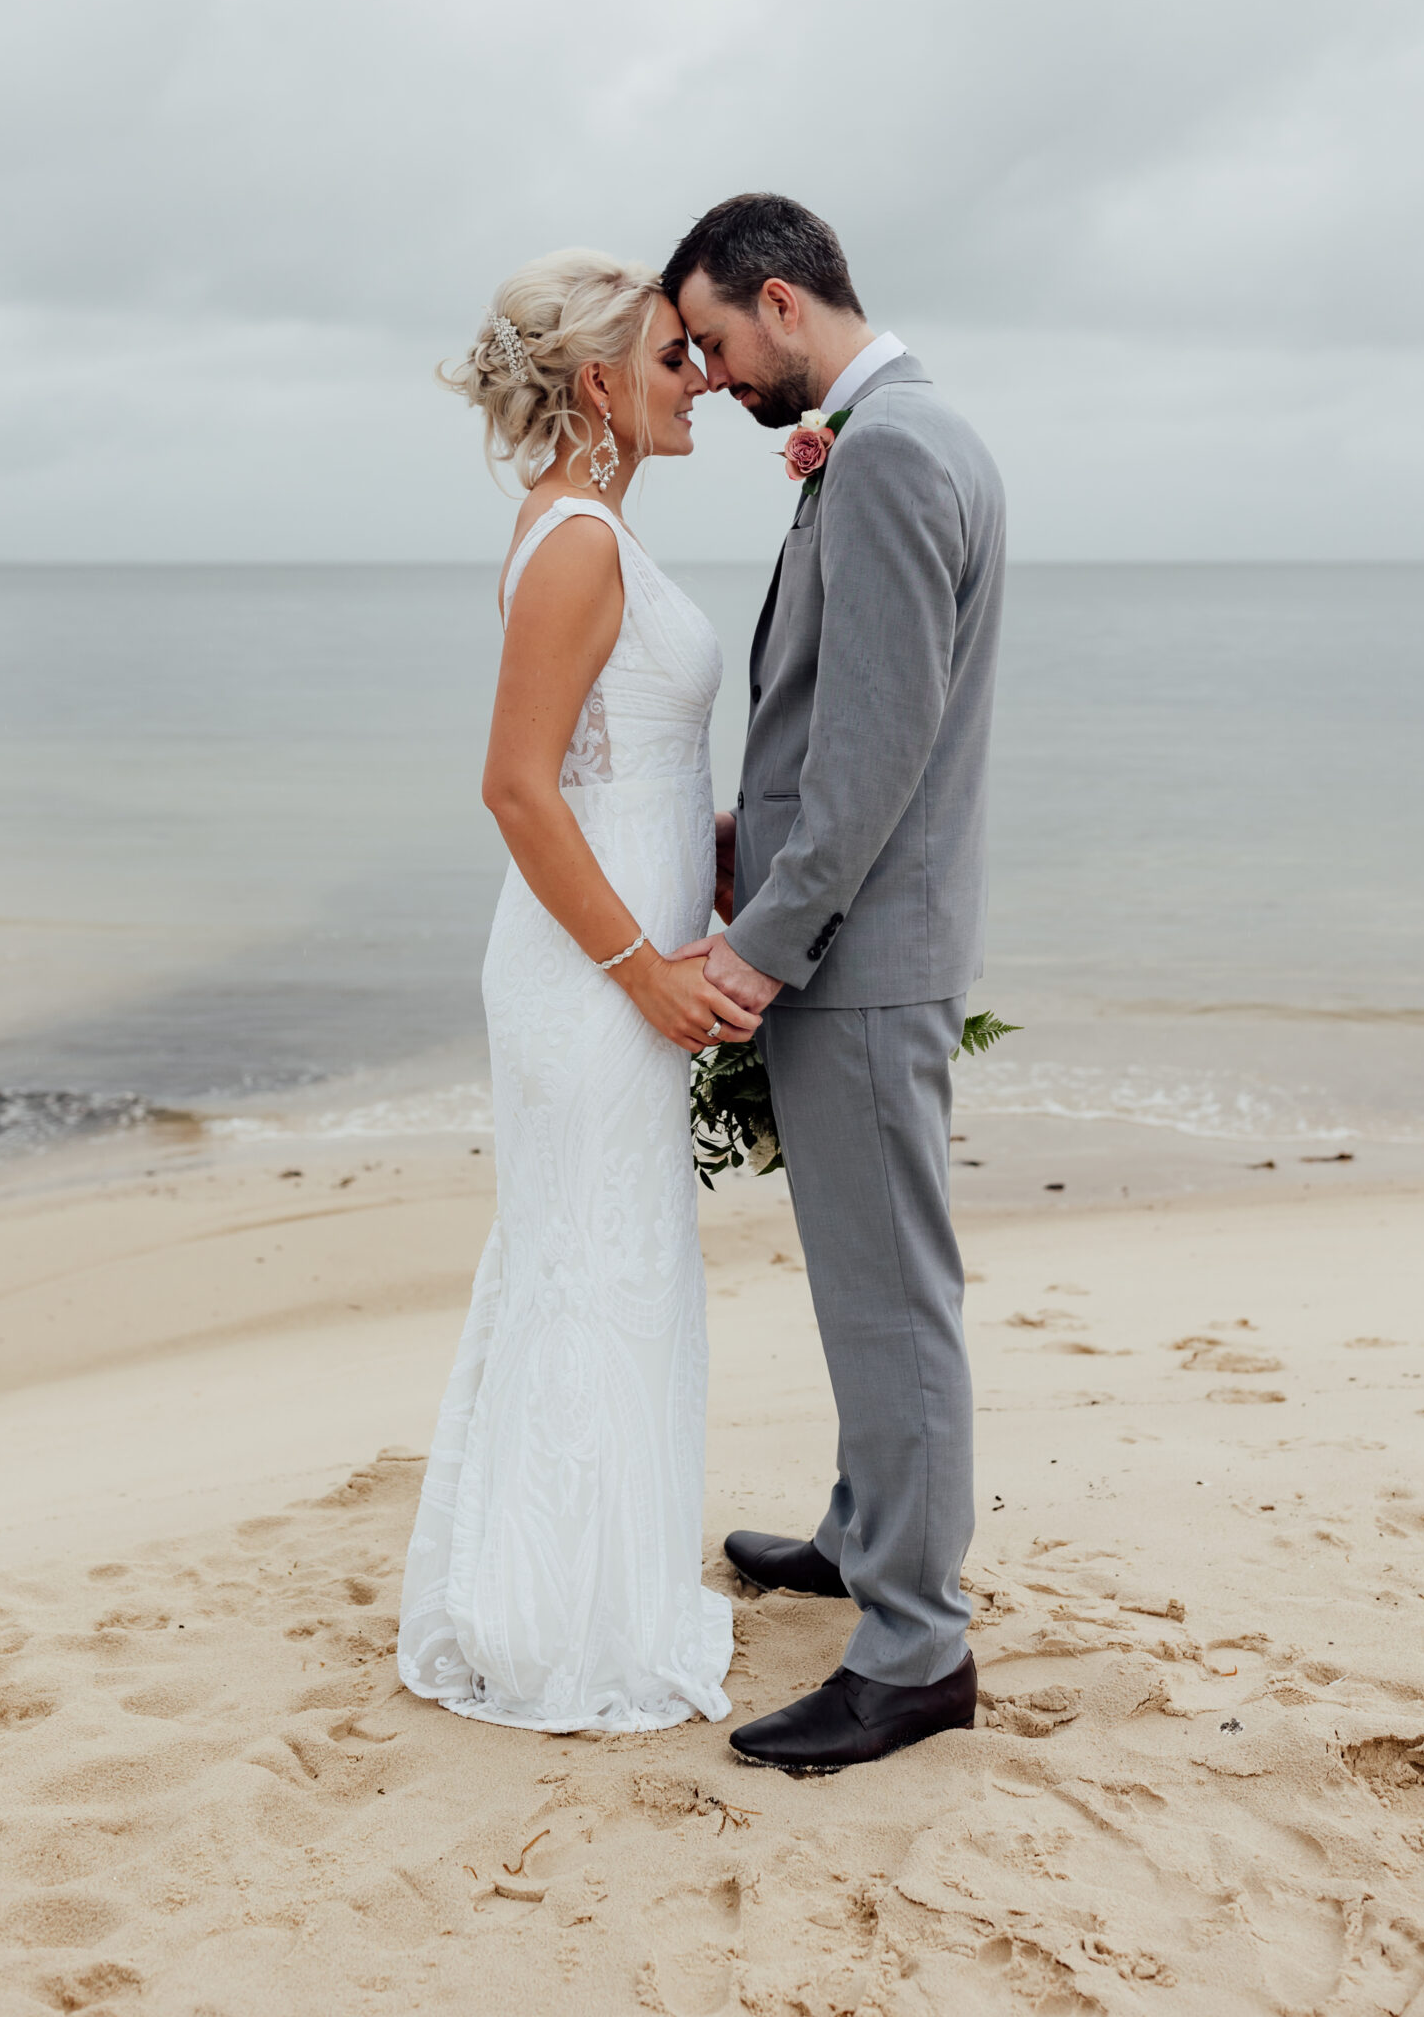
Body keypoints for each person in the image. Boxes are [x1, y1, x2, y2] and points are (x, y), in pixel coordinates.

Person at [664, 193, 1007, 1774]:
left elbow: (875, 754)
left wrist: (756, 947)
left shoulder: (888, 454)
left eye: (721, 345)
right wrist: (750, 826)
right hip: (865, 942)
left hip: (859, 961)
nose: (719, 381)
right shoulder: (892, 443)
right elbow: (849, 726)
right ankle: (868, 1534)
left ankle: (916, 1651)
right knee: (867, 1283)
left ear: (785, 304)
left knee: (891, 1298)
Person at [396, 248, 755, 1733]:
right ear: (600, 384)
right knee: (591, 1266)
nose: (704, 382)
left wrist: (740, 858)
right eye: (677, 359)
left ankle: (572, 1589)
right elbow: (520, 791)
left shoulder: (592, 530)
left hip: (623, 962)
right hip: (590, 978)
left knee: (603, 1261)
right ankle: (559, 1626)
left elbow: (632, 770)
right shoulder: (580, 545)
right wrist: (648, 975)